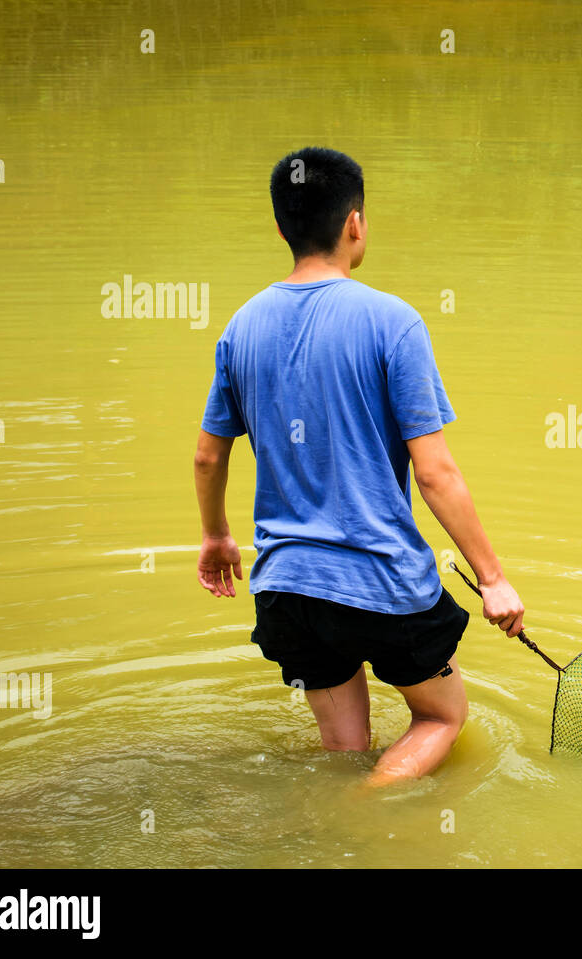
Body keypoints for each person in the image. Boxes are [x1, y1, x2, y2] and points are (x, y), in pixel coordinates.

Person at [192, 146, 525, 787]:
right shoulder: (392, 322)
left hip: (286, 585)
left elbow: (209, 455)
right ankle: (363, 816)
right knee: (441, 718)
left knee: (342, 750)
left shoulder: (241, 327)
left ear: (282, 227)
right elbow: (435, 474)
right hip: (379, 579)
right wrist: (493, 578)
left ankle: (331, 819)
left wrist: (216, 537)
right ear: (355, 224)